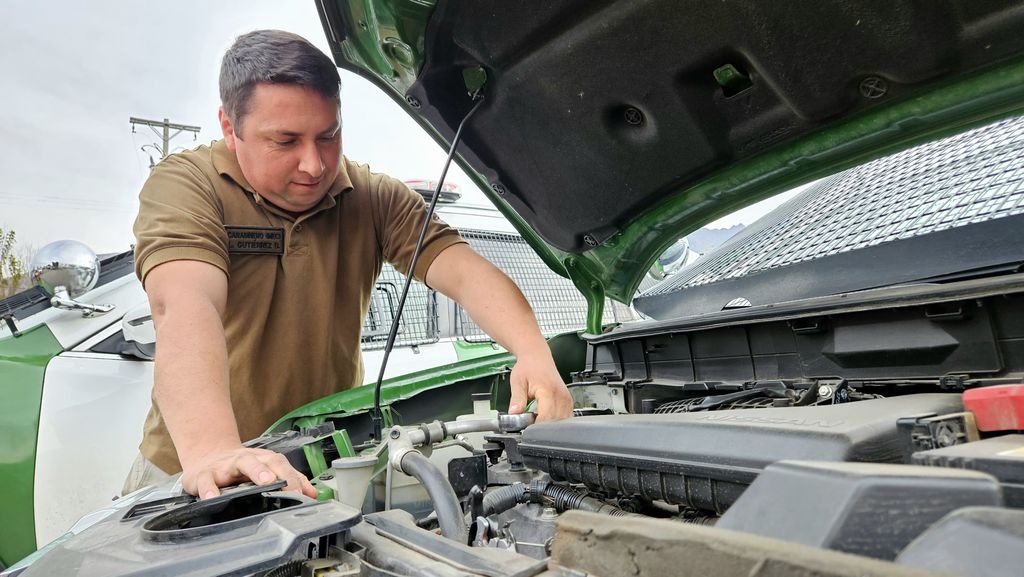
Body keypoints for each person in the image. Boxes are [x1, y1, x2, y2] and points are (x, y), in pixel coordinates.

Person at [124, 30, 573, 499]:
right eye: (285, 140)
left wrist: (533, 352)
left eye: (328, 135)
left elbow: (465, 272)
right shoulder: (188, 185)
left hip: (321, 464)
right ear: (229, 127)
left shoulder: (373, 197)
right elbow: (183, 303)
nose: (315, 165)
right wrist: (214, 451)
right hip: (192, 468)